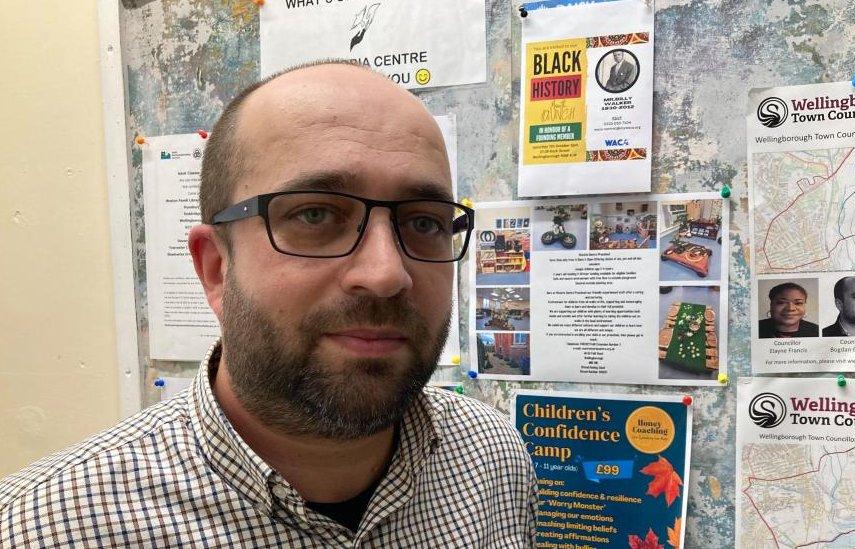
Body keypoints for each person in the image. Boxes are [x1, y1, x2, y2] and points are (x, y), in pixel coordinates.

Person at [0, 63, 537, 546]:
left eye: (424, 223)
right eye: (313, 215)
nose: (386, 274)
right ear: (215, 268)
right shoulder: (41, 527)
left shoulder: (494, 460)